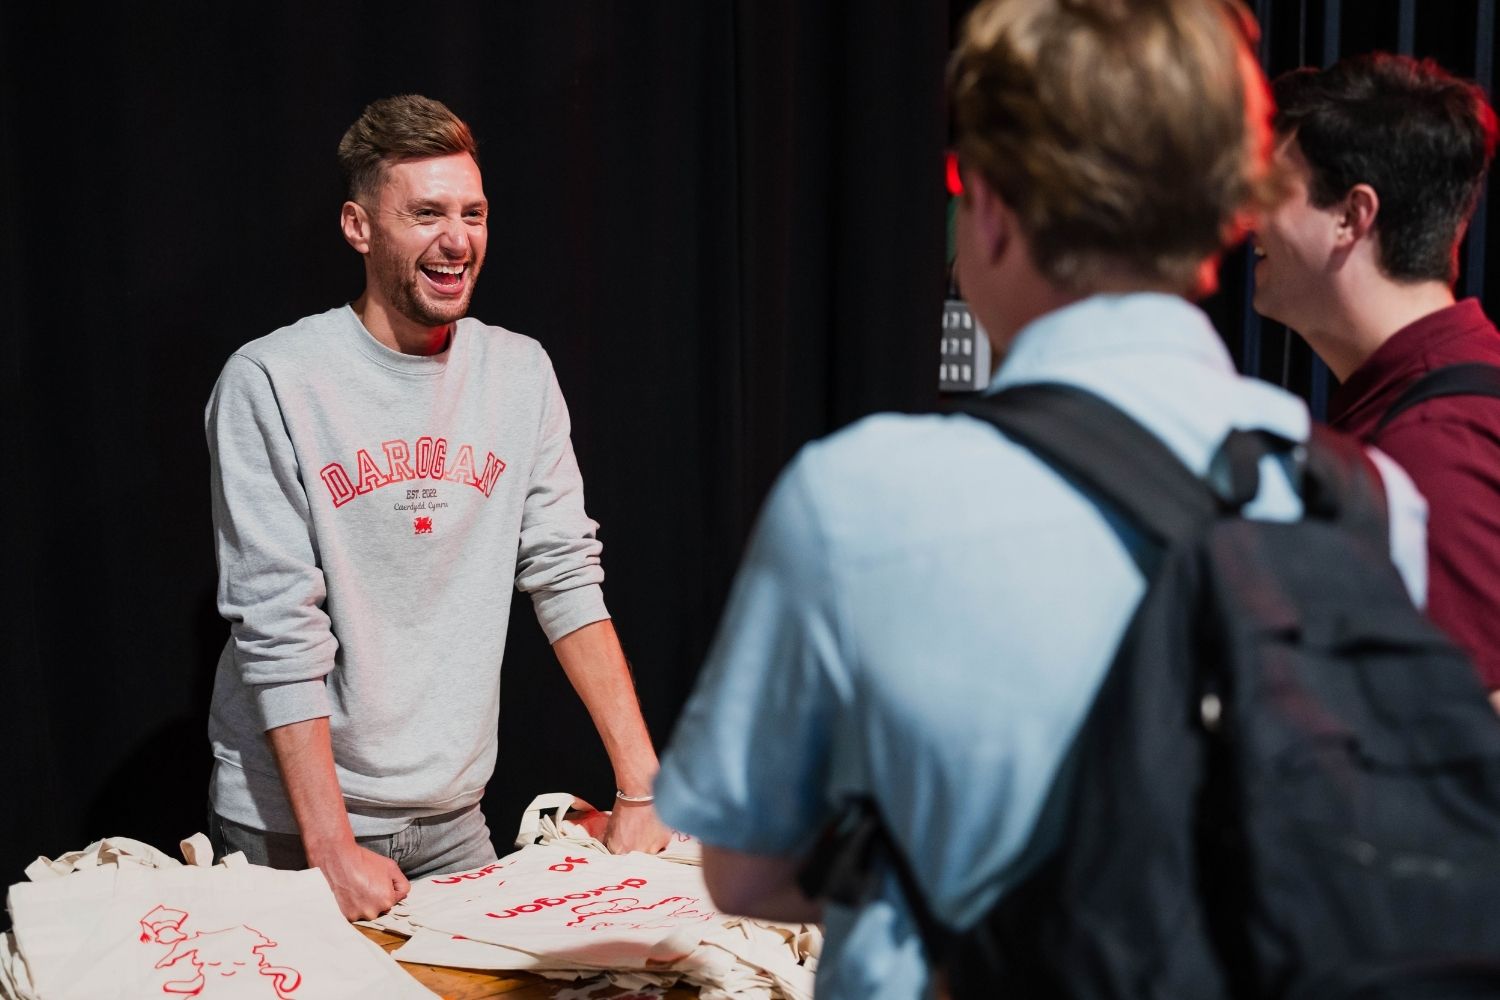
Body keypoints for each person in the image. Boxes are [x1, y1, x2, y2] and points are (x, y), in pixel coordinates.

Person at [651, 2, 1429, 997]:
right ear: (1223, 215)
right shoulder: (1363, 500)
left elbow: (744, 861)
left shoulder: (861, 500)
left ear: (991, 207)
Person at [204, 94, 669, 922]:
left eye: (473, 213)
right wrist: (331, 849)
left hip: (454, 823)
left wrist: (643, 787)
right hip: (293, 830)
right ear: (359, 227)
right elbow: (277, 625)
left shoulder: (519, 373)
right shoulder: (272, 380)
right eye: (426, 214)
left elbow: (564, 572)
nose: (457, 239)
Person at [1252, 54, 1500, 700]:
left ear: (1352, 216)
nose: (1247, 220)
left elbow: (1467, 737)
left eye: (1272, 192)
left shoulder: (1432, 449)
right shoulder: (1431, 405)